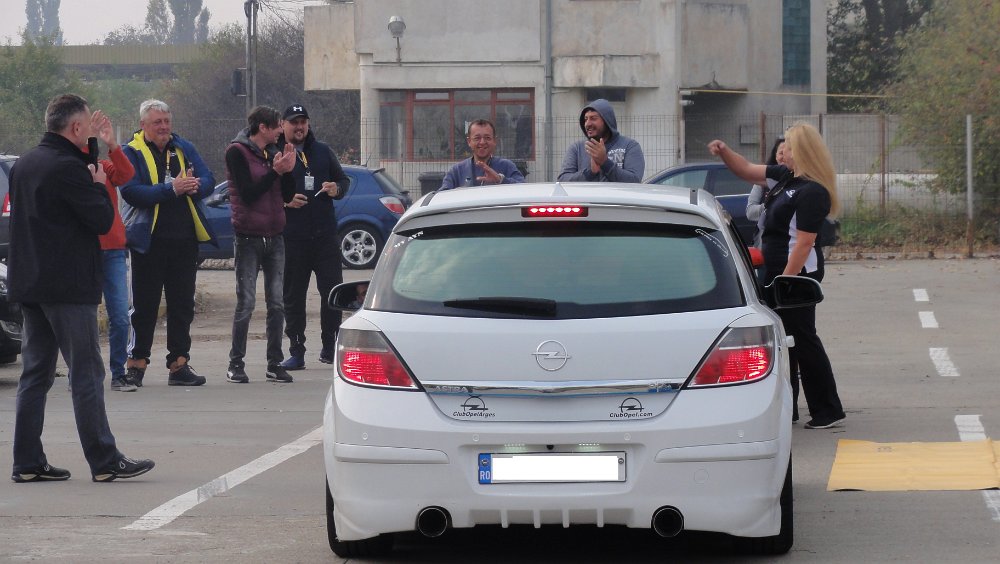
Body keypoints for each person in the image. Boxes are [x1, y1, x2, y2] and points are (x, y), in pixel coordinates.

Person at [8, 93, 155, 483]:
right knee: (86, 373)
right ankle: (104, 460)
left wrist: (91, 156)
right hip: (68, 286)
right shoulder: (69, 169)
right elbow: (103, 219)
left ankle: (27, 462)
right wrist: (99, 184)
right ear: (75, 127)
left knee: (35, 374)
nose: (91, 130)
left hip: (32, 284)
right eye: (87, 125)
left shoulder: (25, 163)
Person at [708, 123, 846, 430]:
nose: (783, 152)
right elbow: (745, 170)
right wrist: (724, 151)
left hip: (796, 276)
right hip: (775, 272)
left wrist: (786, 280)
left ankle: (827, 409)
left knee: (803, 339)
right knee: (786, 341)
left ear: (804, 152)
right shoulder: (785, 177)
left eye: (790, 147)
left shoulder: (812, 191)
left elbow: (804, 242)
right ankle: (790, 408)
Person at [120, 99, 217, 388]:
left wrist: (195, 185)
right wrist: (171, 189)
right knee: (144, 307)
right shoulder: (130, 151)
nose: (163, 127)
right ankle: (136, 364)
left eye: (166, 121)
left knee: (182, 305)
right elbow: (131, 191)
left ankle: (179, 365)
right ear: (143, 125)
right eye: (157, 122)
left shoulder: (184, 148)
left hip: (184, 240)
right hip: (148, 241)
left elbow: (209, 179)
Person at [224, 106, 298, 384]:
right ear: (263, 128)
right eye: (277, 126)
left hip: (275, 236)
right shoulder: (237, 152)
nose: (281, 131)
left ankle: (274, 363)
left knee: (277, 303)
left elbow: (287, 196)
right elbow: (248, 194)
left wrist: (287, 171)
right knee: (246, 303)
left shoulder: (273, 151)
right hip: (248, 237)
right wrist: (275, 172)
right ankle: (236, 363)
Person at [275, 104, 349, 370]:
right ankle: (297, 350)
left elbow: (344, 181)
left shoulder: (322, 151)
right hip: (293, 238)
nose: (299, 127)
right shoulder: (275, 153)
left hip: (325, 237)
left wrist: (335, 188)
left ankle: (330, 347)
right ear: (282, 124)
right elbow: (264, 191)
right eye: (294, 122)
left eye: (303, 122)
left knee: (332, 293)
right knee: (293, 296)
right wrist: (285, 202)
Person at [88, 112, 137, 393]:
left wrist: (112, 145)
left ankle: (118, 373)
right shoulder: (70, 169)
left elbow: (126, 174)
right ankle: (82, 373)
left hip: (113, 249)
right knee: (84, 318)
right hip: (84, 250)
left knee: (119, 315)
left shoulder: (104, 167)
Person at [558, 99, 644, 183]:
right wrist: (590, 172)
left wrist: (605, 162)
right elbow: (563, 180)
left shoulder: (629, 146)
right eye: (586, 119)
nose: (588, 124)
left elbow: (634, 180)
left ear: (607, 121)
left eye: (593, 118)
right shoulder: (577, 148)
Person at [440, 119, 525, 189]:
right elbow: (442, 195)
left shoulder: (506, 166)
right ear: (469, 141)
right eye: (477, 138)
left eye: (487, 138)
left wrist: (500, 180)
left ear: (494, 141)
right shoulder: (457, 171)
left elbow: (523, 188)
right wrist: (458, 193)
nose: (482, 142)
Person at [746, 136, 786, 249]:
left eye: (789, 152)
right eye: (781, 153)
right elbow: (750, 212)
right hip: (765, 243)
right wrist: (769, 206)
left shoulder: (801, 182)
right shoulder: (763, 181)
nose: (784, 157)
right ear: (775, 155)